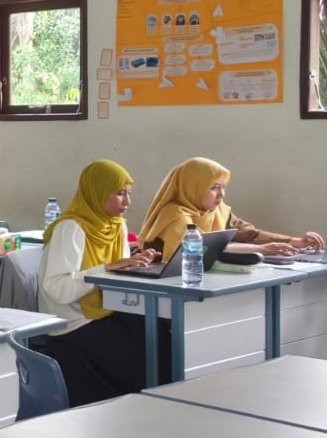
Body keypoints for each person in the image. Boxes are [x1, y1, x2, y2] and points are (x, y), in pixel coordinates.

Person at [39, 161, 162, 405]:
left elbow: (117, 270)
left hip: (105, 309)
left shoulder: (117, 225)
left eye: (129, 193)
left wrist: (136, 263)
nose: (127, 202)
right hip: (72, 320)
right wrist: (105, 268)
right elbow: (56, 288)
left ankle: (158, 403)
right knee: (134, 350)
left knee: (156, 333)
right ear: (98, 192)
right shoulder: (71, 228)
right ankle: (134, 406)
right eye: (120, 193)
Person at [138, 157, 324, 259]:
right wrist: (261, 249)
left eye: (223, 188)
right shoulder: (173, 214)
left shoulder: (217, 211)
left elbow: (249, 234)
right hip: (173, 286)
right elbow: (202, 246)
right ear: (193, 187)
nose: (221, 195)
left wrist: (295, 241)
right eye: (214, 188)